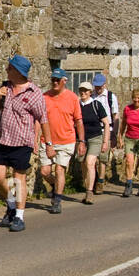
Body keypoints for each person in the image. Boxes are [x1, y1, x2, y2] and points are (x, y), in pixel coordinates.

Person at [0, 55, 52, 232]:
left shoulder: (34, 93)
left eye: (9, 68)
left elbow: (44, 119)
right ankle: (11, 204)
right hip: (3, 140)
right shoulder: (6, 87)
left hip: (22, 142)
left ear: (18, 71)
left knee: (19, 179)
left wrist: (48, 143)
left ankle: (19, 216)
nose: (6, 70)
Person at [38, 69, 82, 214]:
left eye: (58, 80)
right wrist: (35, 139)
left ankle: (57, 200)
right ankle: (56, 186)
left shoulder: (73, 98)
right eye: (53, 80)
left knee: (59, 169)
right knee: (45, 171)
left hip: (66, 140)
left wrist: (81, 141)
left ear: (64, 81)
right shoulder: (44, 97)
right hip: (47, 140)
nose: (55, 82)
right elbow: (38, 120)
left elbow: (78, 121)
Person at [77, 81, 109, 204]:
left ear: (90, 92)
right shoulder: (77, 105)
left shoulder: (97, 105)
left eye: (86, 90)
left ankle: (89, 192)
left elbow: (106, 123)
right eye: (81, 90)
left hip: (95, 138)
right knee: (83, 164)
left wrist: (105, 141)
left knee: (90, 162)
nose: (83, 92)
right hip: (81, 139)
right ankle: (87, 188)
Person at [90, 73, 120, 193]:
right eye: (96, 86)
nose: (97, 89)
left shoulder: (111, 97)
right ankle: (94, 179)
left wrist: (115, 134)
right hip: (94, 130)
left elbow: (115, 116)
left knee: (103, 158)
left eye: (99, 86)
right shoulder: (91, 96)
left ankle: (100, 182)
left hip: (107, 130)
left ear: (104, 85)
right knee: (93, 158)